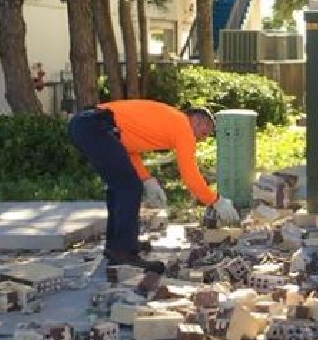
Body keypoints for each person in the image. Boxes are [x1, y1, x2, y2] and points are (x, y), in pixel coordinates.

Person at [68, 100, 240, 274]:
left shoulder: (170, 121)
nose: (201, 139)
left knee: (122, 185)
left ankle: (117, 246)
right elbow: (190, 175)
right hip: (96, 126)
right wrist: (215, 200)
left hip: (89, 124)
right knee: (128, 187)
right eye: (204, 132)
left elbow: (126, 149)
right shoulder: (183, 126)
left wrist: (147, 179)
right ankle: (124, 252)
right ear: (196, 120)